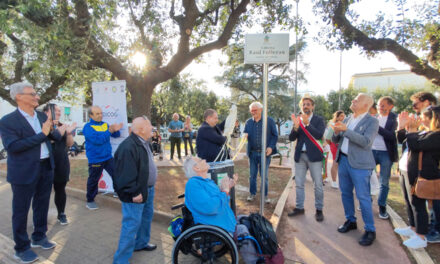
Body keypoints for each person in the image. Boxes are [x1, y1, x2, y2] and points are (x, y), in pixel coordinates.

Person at [0, 82, 62, 263]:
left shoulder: (42, 116)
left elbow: (55, 138)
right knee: (20, 210)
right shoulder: (7, 121)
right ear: (19, 96)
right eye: (32, 94)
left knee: (42, 204)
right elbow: (13, 147)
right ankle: (21, 248)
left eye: (36, 93)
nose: (37, 97)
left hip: (45, 167)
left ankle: (39, 236)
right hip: (23, 171)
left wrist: (53, 128)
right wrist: (41, 135)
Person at [332, 93, 379, 246]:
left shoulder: (372, 121)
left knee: (363, 197)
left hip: (360, 165)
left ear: (366, 105)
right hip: (344, 160)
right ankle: (350, 221)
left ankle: (370, 230)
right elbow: (336, 140)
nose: (353, 100)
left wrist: (345, 130)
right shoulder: (347, 119)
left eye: (357, 100)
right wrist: (336, 132)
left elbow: (366, 142)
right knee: (345, 193)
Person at [113, 116, 158, 264]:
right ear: (141, 129)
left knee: (146, 218)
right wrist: (134, 192)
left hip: (148, 189)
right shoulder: (128, 147)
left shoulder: (144, 142)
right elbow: (124, 174)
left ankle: (141, 243)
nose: (152, 128)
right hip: (136, 193)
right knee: (131, 224)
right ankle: (121, 260)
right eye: (149, 125)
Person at [394, 106, 440, 249]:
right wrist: (401, 127)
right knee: (410, 202)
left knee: (418, 204)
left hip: (423, 176)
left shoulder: (436, 135)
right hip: (408, 170)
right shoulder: (425, 132)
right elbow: (404, 140)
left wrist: (412, 131)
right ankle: (413, 228)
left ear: (434, 119)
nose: (420, 118)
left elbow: (415, 144)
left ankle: (421, 236)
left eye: (424, 116)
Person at [288, 96, 326, 222]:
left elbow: (319, 135)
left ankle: (319, 210)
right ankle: (299, 207)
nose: (305, 106)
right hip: (300, 156)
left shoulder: (319, 120)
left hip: (315, 157)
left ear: (313, 106)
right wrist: (296, 127)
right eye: (303, 104)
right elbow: (292, 138)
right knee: (299, 184)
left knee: (318, 185)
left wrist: (307, 124)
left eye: (308, 104)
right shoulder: (298, 120)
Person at [43, 104, 77, 225]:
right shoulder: (42, 125)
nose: (58, 112)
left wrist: (68, 133)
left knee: (60, 189)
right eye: (56, 110)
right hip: (45, 164)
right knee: (43, 192)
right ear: (47, 112)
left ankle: (61, 213)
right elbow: (51, 139)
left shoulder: (62, 125)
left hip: (61, 162)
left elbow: (69, 144)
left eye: (59, 111)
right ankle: (41, 216)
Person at [83, 106, 122, 210]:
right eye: (97, 114)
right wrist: (109, 131)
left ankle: (117, 192)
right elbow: (98, 141)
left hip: (108, 157)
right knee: (93, 180)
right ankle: (90, 200)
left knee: (117, 174)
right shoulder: (87, 127)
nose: (100, 115)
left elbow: (115, 135)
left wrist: (115, 130)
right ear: (91, 115)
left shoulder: (105, 124)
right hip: (95, 159)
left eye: (101, 113)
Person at [244, 102, 278, 203]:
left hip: (265, 153)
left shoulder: (270, 121)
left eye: (255, 110)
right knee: (252, 175)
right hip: (253, 153)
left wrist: (271, 147)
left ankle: (265, 195)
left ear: (261, 110)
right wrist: (244, 136)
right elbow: (245, 133)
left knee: (264, 176)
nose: (253, 112)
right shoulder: (248, 122)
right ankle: (252, 193)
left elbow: (275, 136)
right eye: (252, 111)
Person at [371, 96, 398, 220]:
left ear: (390, 106)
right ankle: (367, 200)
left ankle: (382, 206)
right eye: (379, 105)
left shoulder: (394, 120)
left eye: (383, 105)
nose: (380, 108)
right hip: (371, 151)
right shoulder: (374, 118)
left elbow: (391, 136)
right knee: (366, 177)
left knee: (384, 182)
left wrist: (377, 127)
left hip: (386, 154)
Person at [325, 110, 346, 189]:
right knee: (335, 163)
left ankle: (341, 182)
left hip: (342, 146)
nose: (343, 117)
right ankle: (334, 181)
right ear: (337, 117)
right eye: (341, 116)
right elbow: (328, 138)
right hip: (335, 145)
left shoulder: (345, 125)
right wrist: (332, 145)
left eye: (344, 116)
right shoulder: (333, 125)